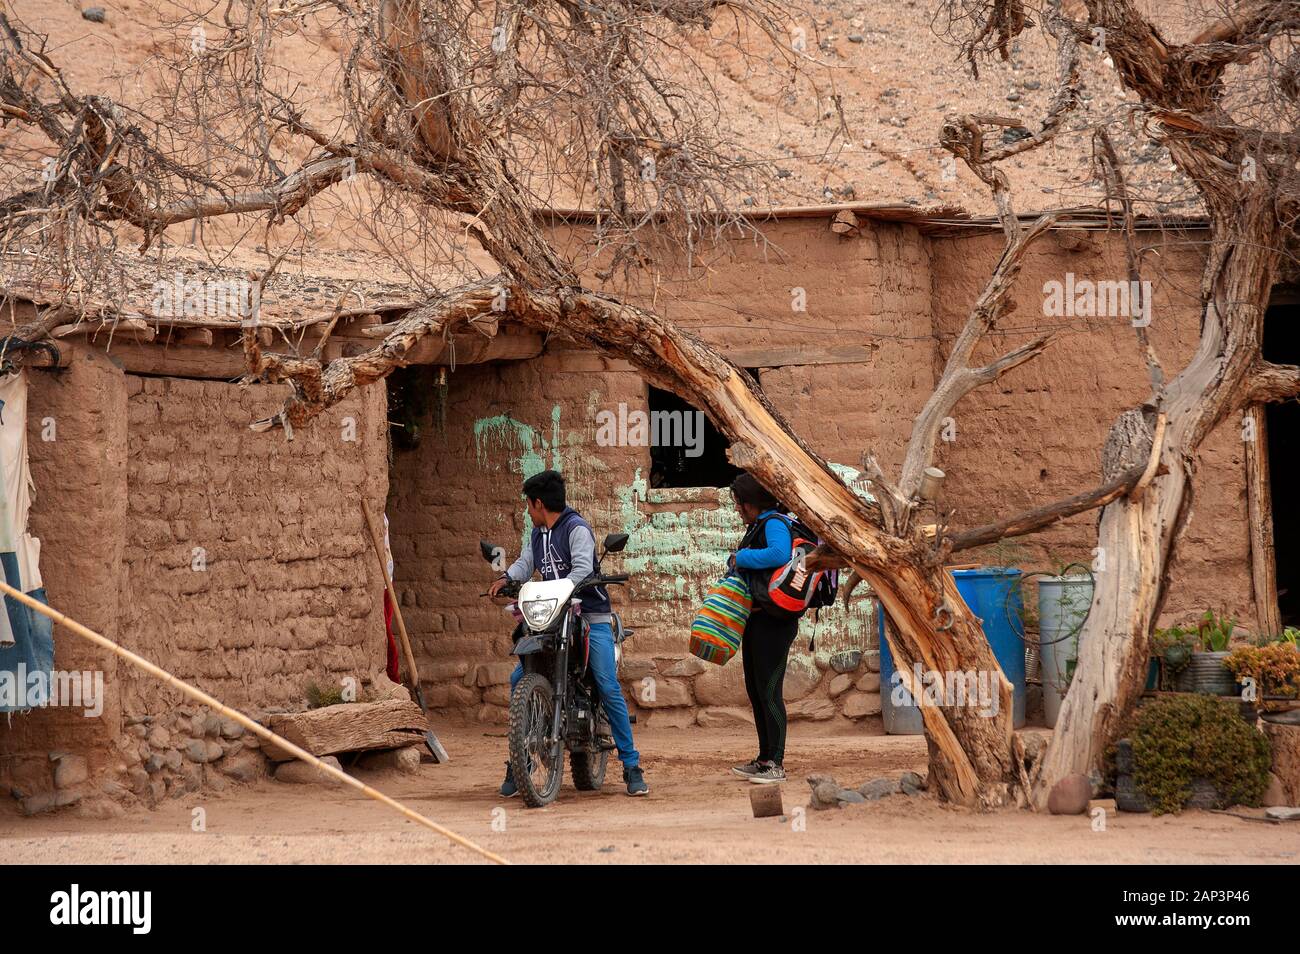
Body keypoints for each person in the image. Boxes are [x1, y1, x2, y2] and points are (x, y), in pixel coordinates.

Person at [487, 469, 649, 797]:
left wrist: (566, 586)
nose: (528, 512)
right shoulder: (538, 533)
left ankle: (631, 765)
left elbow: (581, 570)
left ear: (539, 503)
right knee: (521, 678)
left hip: (590, 613)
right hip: (551, 614)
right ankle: (521, 760)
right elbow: (526, 562)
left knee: (605, 682)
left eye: (529, 506)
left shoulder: (577, 530)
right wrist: (508, 578)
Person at [727, 472, 800, 785]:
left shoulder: (773, 522)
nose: (737, 509)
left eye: (739, 504)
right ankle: (764, 758)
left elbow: (779, 554)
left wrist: (740, 557)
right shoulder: (759, 524)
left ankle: (777, 763)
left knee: (770, 691)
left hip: (775, 621)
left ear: (752, 503)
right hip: (757, 618)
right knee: (756, 691)